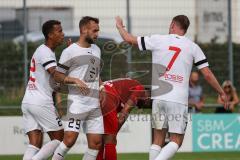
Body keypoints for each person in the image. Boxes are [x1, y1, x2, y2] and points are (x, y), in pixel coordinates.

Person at [115, 15, 228, 160]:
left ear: (173, 25)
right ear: (185, 29)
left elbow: (129, 39)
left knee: (157, 139)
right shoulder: (193, 47)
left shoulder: (158, 39)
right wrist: (221, 92)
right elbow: (206, 74)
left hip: (158, 97)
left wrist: (120, 27)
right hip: (178, 99)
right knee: (176, 140)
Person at [52, 16, 103, 160]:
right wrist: (74, 80)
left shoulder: (97, 49)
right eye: (94, 30)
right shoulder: (70, 51)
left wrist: (102, 86)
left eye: (98, 30)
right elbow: (57, 76)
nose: (97, 34)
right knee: (69, 140)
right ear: (83, 30)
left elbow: (96, 73)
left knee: (96, 143)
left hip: (94, 105)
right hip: (78, 103)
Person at [21, 20, 64, 160]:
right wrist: (74, 79)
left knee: (35, 143)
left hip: (29, 101)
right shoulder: (46, 52)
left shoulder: (43, 50)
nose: (63, 34)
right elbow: (55, 74)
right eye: (59, 31)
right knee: (59, 138)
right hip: (40, 102)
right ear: (50, 35)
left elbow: (52, 80)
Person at [96, 78, 148, 160]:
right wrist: (113, 134)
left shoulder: (127, 89)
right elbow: (123, 114)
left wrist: (115, 131)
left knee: (100, 140)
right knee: (110, 140)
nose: (146, 101)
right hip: (107, 96)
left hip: (97, 96)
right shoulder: (140, 89)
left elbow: (122, 117)